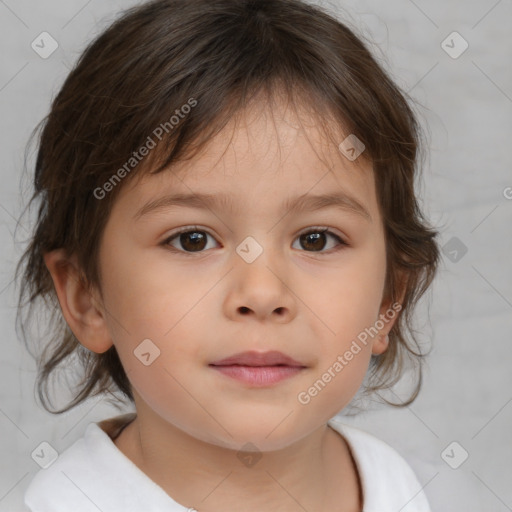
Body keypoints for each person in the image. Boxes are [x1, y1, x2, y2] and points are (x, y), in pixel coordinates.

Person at [16, 0, 440, 510]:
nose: (261, 294)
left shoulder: (391, 483)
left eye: (316, 239)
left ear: (388, 299)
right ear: (87, 296)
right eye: (192, 239)